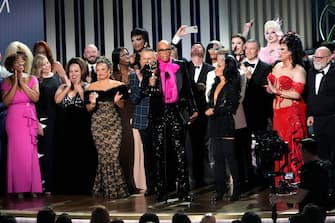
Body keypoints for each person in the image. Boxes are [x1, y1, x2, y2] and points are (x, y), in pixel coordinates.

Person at [149, 40, 198, 202]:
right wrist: (152, 84)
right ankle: (162, 190)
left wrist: (193, 108)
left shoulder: (180, 65)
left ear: (171, 51)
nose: (164, 53)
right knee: (159, 153)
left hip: (176, 111)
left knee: (180, 151)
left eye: (167, 50)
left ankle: (183, 190)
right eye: (161, 50)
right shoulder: (151, 68)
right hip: (159, 114)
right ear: (157, 52)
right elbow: (144, 89)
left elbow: (189, 88)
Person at [266, 32, 307, 184]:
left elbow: (296, 94)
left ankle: (295, 179)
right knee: (280, 147)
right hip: (278, 114)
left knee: (292, 147)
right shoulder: (277, 66)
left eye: (282, 49)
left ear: (291, 52)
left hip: (292, 114)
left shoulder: (298, 70)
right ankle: (282, 179)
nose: (279, 51)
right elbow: (275, 88)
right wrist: (271, 89)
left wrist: (277, 91)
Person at [85, 56, 129, 199]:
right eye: (97, 70)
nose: (100, 72)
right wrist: (92, 103)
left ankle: (112, 189)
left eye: (103, 69)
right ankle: (108, 189)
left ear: (109, 70)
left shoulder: (118, 85)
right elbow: (88, 109)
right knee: (103, 156)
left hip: (113, 123)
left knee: (113, 156)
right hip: (98, 124)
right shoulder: (90, 87)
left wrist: (116, 102)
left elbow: (123, 106)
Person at [1, 49, 42, 198]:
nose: (20, 65)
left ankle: (33, 187)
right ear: (12, 65)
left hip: (28, 120)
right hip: (14, 120)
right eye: (17, 62)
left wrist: (23, 84)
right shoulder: (6, 81)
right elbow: (7, 101)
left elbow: (35, 97)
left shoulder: (32, 79)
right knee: (16, 153)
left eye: (22, 62)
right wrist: (15, 82)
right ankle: (17, 188)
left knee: (30, 153)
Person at [54, 57, 96, 194]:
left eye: (76, 71)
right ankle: (68, 187)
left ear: (82, 71)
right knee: (67, 157)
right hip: (66, 128)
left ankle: (83, 188)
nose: (73, 74)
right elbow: (57, 100)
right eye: (71, 71)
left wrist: (80, 90)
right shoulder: (62, 87)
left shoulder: (87, 86)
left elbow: (89, 105)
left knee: (82, 157)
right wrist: (68, 87)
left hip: (82, 127)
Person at [205, 55, 241, 201]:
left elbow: (231, 107)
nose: (216, 68)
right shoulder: (215, 83)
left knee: (230, 157)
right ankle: (220, 189)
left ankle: (237, 189)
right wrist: (210, 109)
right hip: (214, 123)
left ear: (227, 68)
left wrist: (215, 111)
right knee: (217, 157)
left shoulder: (232, 85)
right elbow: (211, 102)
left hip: (226, 122)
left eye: (219, 66)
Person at [240, 39, 273, 189]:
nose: (248, 51)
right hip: (242, 114)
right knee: (244, 147)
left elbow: (265, 92)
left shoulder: (266, 68)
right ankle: (248, 179)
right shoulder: (237, 66)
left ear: (258, 50)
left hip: (259, 113)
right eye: (246, 48)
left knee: (262, 146)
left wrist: (250, 78)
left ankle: (264, 178)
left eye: (252, 49)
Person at [269, 138, 331, 214]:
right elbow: (315, 184)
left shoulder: (309, 170)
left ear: (304, 151)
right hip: (322, 211)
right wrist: (298, 184)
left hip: (310, 214)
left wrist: (278, 198)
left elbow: (298, 198)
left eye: (300, 150)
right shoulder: (326, 165)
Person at [32, 54, 62, 194]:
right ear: (38, 67)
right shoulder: (37, 81)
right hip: (44, 120)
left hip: (57, 119)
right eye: (42, 64)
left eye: (47, 63)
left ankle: (55, 184)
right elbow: (35, 104)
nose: (46, 66)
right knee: (46, 153)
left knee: (56, 151)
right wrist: (37, 122)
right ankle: (46, 185)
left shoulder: (56, 77)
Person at [129, 48, 156, 195]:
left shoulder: (159, 74)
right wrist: (141, 84)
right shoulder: (134, 76)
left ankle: (165, 184)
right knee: (148, 153)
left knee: (162, 152)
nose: (147, 61)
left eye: (150, 59)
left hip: (159, 118)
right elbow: (134, 99)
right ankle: (151, 186)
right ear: (140, 61)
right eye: (144, 59)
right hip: (143, 119)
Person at [306, 47, 335, 170]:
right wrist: (310, 114)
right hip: (317, 120)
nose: (316, 60)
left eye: (320, 57)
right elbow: (310, 95)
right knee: (322, 153)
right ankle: (326, 184)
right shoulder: (311, 73)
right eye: (315, 57)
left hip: (332, 118)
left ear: (329, 58)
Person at [111, 47, 136, 193]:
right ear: (117, 59)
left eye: (127, 53)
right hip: (120, 113)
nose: (127, 56)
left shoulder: (134, 73)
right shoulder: (114, 76)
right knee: (124, 146)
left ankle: (134, 180)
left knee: (134, 146)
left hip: (134, 109)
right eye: (123, 54)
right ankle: (125, 182)